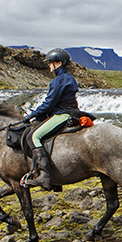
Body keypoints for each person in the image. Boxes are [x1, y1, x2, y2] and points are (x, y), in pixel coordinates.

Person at [22, 48, 79, 190]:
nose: (48, 66)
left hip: (62, 115)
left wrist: (32, 114)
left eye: (51, 63)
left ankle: (45, 176)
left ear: (58, 63)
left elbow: (49, 104)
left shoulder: (58, 80)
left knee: (33, 136)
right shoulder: (69, 78)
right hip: (71, 112)